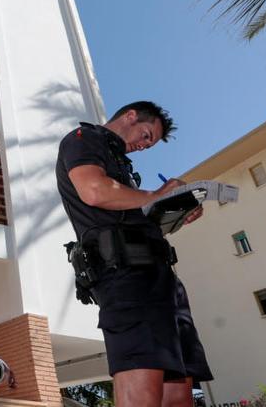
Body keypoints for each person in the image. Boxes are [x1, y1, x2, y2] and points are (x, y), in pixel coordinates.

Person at [56, 101, 213, 407]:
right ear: (130, 116)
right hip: (126, 277)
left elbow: (135, 217)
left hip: (162, 278)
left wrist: (175, 210)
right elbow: (94, 190)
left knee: (179, 392)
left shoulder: (125, 168)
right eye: (145, 135)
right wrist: (154, 196)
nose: (143, 145)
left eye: (149, 144)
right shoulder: (83, 139)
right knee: (142, 387)